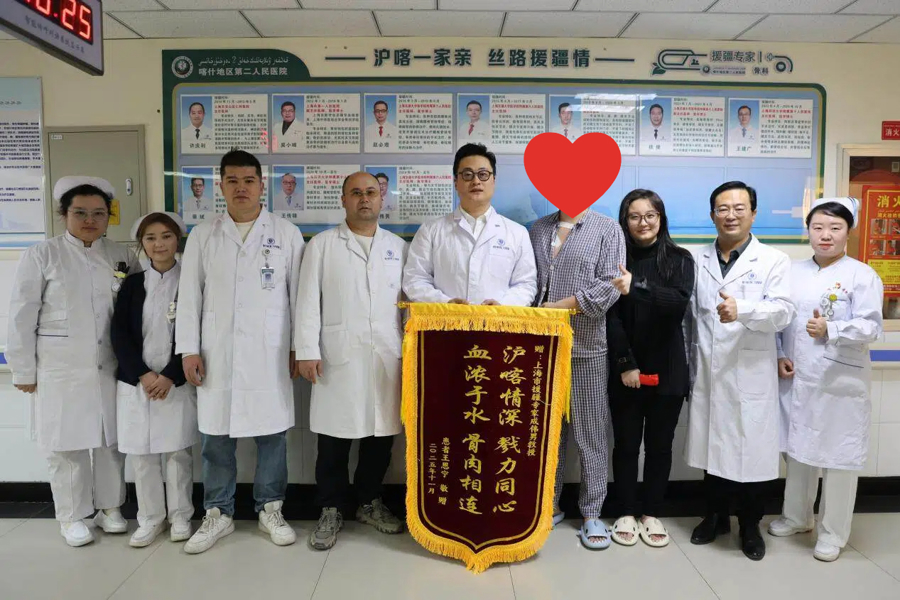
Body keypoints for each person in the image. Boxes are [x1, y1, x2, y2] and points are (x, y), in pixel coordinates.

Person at [176, 150, 305, 554]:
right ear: (221, 186)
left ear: (262, 185)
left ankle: (270, 507)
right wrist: (188, 349)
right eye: (232, 181)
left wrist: (299, 347)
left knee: (272, 435)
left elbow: (300, 298)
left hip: (270, 351)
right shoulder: (203, 235)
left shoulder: (286, 233)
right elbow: (189, 297)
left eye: (249, 180)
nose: (241, 188)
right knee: (215, 437)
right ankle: (218, 512)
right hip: (217, 351)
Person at [6, 176, 137, 547]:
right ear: (64, 214)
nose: (90, 220)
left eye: (98, 213)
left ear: (109, 216)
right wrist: (23, 369)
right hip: (60, 368)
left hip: (110, 366)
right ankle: (72, 516)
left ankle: (110, 507)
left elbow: (134, 311)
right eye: (80, 213)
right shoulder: (43, 254)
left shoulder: (122, 255)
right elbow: (21, 315)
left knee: (110, 441)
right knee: (66, 445)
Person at [296, 172, 408, 551]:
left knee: (380, 436)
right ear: (343, 200)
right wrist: (306, 349)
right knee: (334, 438)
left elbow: (408, 306)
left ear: (382, 198)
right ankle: (330, 507)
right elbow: (307, 301)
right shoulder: (322, 246)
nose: (364, 199)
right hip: (336, 357)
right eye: (356, 193)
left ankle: (369, 501)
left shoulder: (397, 248)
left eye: (371, 192)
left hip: (386, 356)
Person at [769, 197, 883, 563]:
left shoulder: (862, 275)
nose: (826, 235)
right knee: (798, 450)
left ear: (848, 232)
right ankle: (797, 517)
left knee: (839, 457)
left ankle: (833, 532)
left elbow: (871, 326)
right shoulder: (792, 271)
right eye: (818, 227)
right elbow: (778, 319)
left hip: (839, 381)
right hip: (798, 378)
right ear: (808, 231)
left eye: (835, 228)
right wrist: (779, 353)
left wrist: (831, 329)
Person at [685, 181, 795, 561]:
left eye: (739, 208)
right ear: (712, 214)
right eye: (723, 208)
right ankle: (714, 517)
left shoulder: (773, 260)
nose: (730, 215)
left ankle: (750, 525)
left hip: (750, 370)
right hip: (709, 371)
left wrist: (743, 309)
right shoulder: (696, 259)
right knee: (712, 451)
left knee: (752, 452)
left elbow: (784, 311)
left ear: (753, 213)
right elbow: (690, 317)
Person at [529, 201, 626, 550]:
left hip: (586, 347)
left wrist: (558, 308)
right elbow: (528, 281)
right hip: (542, 347)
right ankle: (548, 505)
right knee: (546, 432)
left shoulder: (606, 228)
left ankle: (591, 512)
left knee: (590, 431)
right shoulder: (538, 228)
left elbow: (611, 286)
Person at [606, 190, 694, 548]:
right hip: (625, 370)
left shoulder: (680, 258)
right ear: (624, 221)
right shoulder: (615, 259)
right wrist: (626, 364)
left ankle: (651, 513)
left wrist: (637, 287)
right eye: (634, 216)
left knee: (660, 446)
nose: (643, 223)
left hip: (668, 369)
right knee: (626, 445)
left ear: (661, 218)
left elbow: (677, 303)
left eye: (650, 215)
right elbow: (611, 317)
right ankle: (626, 510)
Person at [112, 212, 198, 548]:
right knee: (142, 455)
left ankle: (180, 516)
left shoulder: (191, 281)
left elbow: (196, 333)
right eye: (150, 238)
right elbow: (119, 334)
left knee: (177, 453)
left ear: (178, 240)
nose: (159, 244)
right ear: (142, 244)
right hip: (137, 382)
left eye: (166, 236)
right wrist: (144, 374)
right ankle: (149, 518)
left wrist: (169, 376)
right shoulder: (133, 284)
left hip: (175, 381)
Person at [403, 143, 536, 306]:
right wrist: (445, 303)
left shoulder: (517, 233)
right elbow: (415, 279)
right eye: (467, 175)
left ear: (493, 181)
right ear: (455, 182)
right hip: (445, 321)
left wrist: (502, 306)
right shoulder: (431, 231)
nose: (476, 181)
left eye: (483, 174)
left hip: (499, 321)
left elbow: (526, 284)